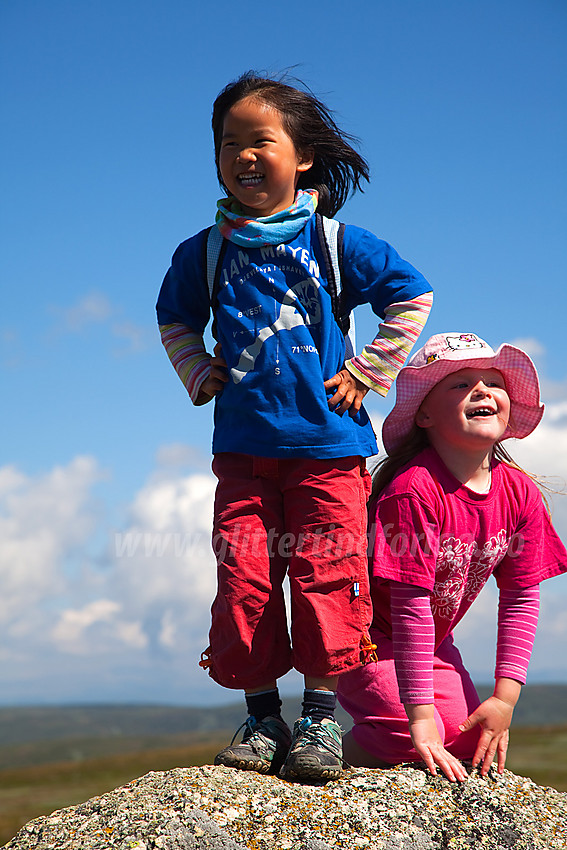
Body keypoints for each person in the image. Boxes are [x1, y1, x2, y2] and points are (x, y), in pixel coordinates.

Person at [156, 71, 433, 781]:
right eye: (228, 144)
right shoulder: (205, 251)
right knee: (243, 578)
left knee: (327, 574)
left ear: (301, 155)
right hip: (243, 454)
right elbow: (174, 316)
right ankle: (260, 716)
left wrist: (369, 370)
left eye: (260, 141)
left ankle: (318, 720)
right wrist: (198, 373)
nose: (243, 155)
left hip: (328, 451)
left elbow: (411, 296)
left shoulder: (333, 240)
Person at [337, 331, 567, 782]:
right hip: (364, 640)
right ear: (423, 413)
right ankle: (340, 756)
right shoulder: (413, 490)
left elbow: (521, 598)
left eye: (492, 382)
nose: (481, 390)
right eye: (460, 384)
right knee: (415, 735)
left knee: (467, 739)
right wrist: (420, 716)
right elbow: (410, 608)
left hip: (431, 644)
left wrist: (504, 700)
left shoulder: (518, 493)